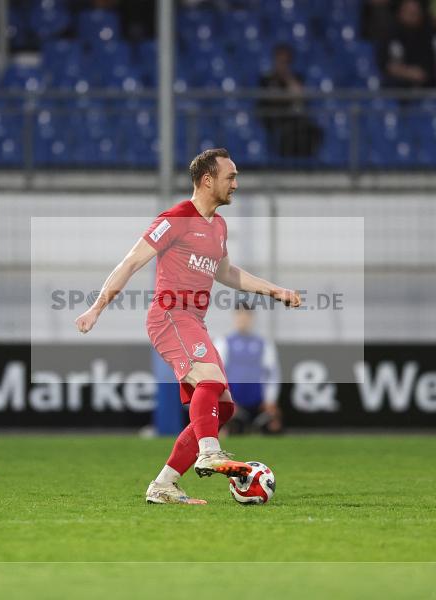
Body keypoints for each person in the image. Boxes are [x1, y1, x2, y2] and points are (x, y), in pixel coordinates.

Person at [75, 148, 302, 504]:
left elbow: (226, 273)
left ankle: (164, 484)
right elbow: (131, 262)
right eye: (231, 177)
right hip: (169, 316)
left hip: (193, 321)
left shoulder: (219, 226)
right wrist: (96, 308)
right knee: (209, 381)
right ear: (207, 180)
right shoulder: (176, 218)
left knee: (223, 406)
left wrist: (274, 290)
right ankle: (209, 451)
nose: (236, 184)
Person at [214, 301, 282, 435]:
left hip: (258, 402)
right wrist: (226, 400)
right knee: (226, 431)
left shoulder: (264, 343)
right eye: (240, 315)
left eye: (247, 316)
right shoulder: (224, 342)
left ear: (252, 318)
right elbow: (217, 374)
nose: (243, 319)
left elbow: (272, 374)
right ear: (235, 317)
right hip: (233, 401)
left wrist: (270, 401)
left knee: (273, 427)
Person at [258, 44, 323, 158]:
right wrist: (288, 96)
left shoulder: (295, 77)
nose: (282, 65)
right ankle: (285, 165)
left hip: (294, 118)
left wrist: (287, 77)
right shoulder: (267, 78)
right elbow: (272, 98)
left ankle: (307, 163)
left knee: (312, 130)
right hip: (275, 119)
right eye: (280, 61)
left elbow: (299, 95)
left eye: (286, 62)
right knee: (289, 133)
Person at [379, 0, 436, 91]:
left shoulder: (432, 34)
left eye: (416, 13)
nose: (413, 16)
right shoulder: (391, 35)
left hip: (433, 86)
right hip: (401, 89)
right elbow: (385, 64)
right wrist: (409, 72)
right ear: (400, 13)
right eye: (409, 13)